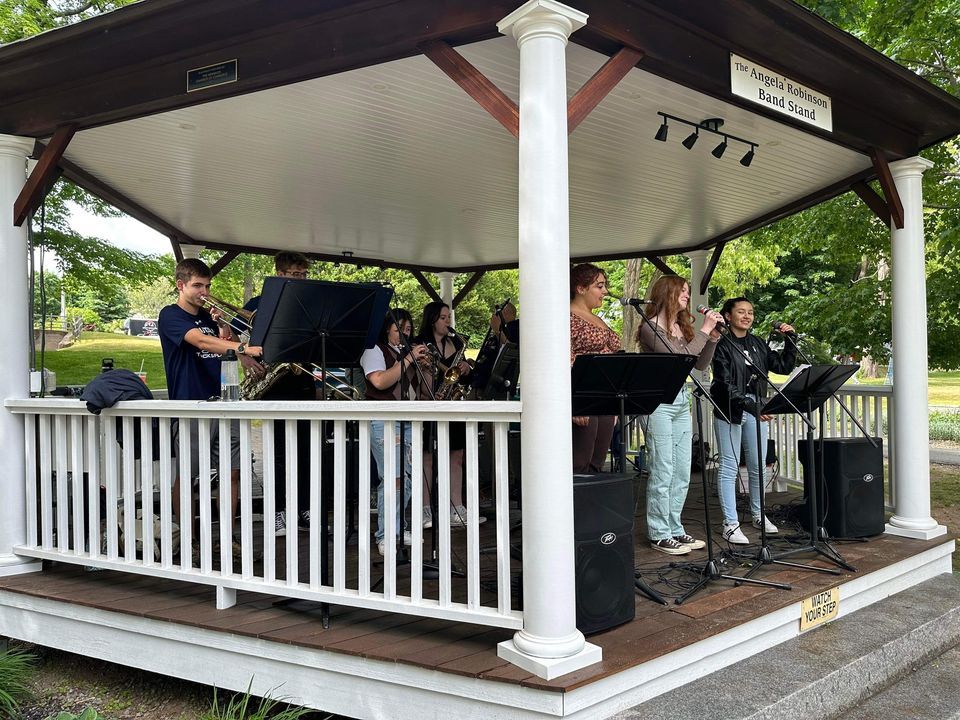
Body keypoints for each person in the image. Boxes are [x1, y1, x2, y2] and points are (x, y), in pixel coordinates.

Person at [158, 258, 263, 561]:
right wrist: (243, 348)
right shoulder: (170, 315)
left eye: (207, 285)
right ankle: (189, 541)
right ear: (181, 285)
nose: (205, 292)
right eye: (198, 286)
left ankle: (227, 539)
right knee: (188, 476)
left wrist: (225, 328)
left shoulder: (208, 316)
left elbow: (223, 347)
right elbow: (200, 342)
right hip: (192, 405)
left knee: (232, 473)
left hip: (224, 402)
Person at [636, 275, 723, 555]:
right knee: (663, 469)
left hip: (680, 399)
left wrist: (711, 339)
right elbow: (676, 358)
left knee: (682, 470)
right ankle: (659, 533)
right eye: (682, 291)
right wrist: (704, 329)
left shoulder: (680, 327)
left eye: (688, 291)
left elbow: (698, 365)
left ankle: (674, 527)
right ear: (668, 293)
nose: (687, 295)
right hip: (657, 402)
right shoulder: (650, 327)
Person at [231, 251, 316, 537]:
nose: (301, 279)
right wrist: (244, 357)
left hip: (302, 380)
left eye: (303, 274)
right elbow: (230, 331)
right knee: (278, 451)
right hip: (273, 381)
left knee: (306, 451)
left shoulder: (308, 304)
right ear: (280, 274)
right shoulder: (259, 303)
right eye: (295, 274)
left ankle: (303, 508)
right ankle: (278, 511)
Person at [710, 297, 797, 544]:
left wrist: (791, 340)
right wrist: (750, 405)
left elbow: (782, 366)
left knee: (758, 464)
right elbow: (723, 383)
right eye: (741, 312)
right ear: (728, 316)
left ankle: (759, 514)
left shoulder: (757, 343)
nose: (747, 316)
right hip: (730, 408)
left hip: (756, 406)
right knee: (729, 466)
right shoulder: (721, 344)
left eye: (750, 312)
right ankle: (730, 523)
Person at [360, 309, 429, 555]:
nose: (404, 334)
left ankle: (398, 528)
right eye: (399, 328)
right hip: (384, 420)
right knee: (393, 477)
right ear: (387, 328)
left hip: (409, 420)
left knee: (407, 477)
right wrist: (409, 359)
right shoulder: (374, 350)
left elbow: (425, 391)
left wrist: (425, 368)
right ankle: (386, 535)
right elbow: (379, 381)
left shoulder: (404, 354)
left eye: (408, 329)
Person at [415, 301, 485, 528]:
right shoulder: (420, 343)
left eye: (449, 317)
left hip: (452, 403)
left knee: (456, 456)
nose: (448, 322)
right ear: (432, 319)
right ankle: (425, 509)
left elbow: (465, 378)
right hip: (428, 403)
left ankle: (456, 507)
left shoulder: (455, 343)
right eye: (443, 318)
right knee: (427, 458)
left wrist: (465, 368)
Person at [569, 263, 622, 473]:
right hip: (583, 396)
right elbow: (564, 361)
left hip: (605, 397)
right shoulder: (566, 317)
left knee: (597, 462)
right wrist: (573, 403)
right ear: (580, 288)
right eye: (599, 286)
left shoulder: (598, 319)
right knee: (580, 462)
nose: (605, 291)